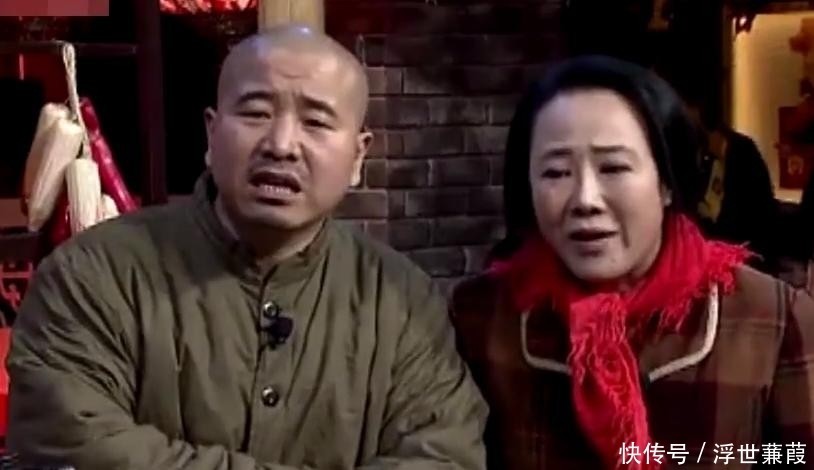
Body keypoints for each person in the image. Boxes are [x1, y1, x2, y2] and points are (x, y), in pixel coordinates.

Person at [6, 25, 488, 470]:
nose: (281, 144)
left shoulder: (402, 300)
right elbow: (70, 442)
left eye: (316, 122)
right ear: (211, 133)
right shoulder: (93, 274)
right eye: (256, 113)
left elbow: (447, 457)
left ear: (358, 156)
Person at [452, 56, 814, 469]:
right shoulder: (481, 317)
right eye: (555, 173)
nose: (585, 200)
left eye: (613, 168)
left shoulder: (772, 319)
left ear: (666, 183)